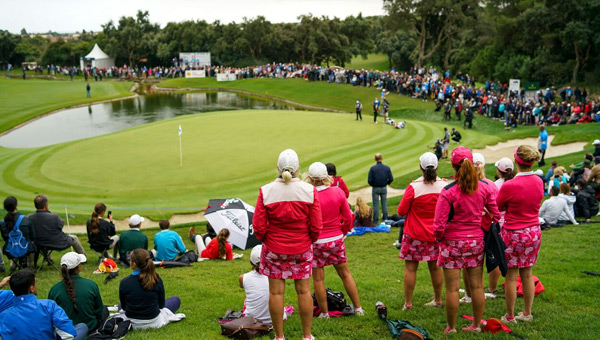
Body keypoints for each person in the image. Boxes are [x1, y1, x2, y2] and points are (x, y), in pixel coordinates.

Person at [253, 149, 322, 340]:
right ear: (298, 169)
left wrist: (268, 239)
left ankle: (279, 336)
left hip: (274, 248)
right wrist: (309, 240)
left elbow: (258, 227)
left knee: (276, 292)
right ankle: (307, 336)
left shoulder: (265, 191)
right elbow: (316, 226)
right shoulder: (309, 191)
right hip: (301, 247)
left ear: (278, 167)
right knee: (304, 291)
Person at [433, 146, 500, 333]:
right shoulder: (485, 188)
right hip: (475, 241)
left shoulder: (448, 191)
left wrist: (440, 239)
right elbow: (495, 214)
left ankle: (451, 327)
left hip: (452, 242)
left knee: (452, 289)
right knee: (477, 285)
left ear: (454, 167)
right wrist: (483, 222)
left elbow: (438, 225)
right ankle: (477, 325)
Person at [305, 162, 363, 318]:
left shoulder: (308, 195)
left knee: (318, 279)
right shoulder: (337, 192)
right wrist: (342, 232)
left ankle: (324, 313)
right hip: (336, 239)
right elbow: (349, 218)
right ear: (327, 177)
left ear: (310, 178)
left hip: (316, 242)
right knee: (345, 274)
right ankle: (358, 308)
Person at [496, 145, 544, 324]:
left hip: (514, 232)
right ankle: (527, 313)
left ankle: (509, 315)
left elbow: (498, 206)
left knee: (510, 275)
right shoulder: (539, 181)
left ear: (516, 161)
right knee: (527, 273)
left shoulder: (510, 185)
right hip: (533, 231)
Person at [397, 152, 446, 310]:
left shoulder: (413, 187)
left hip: (415, 234)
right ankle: (438, 300)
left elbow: (401, 211)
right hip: (436, 235)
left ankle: (408, 303)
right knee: (435, 267)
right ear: (437, 166)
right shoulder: (444, 186)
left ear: (421, 167)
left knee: (411, 268)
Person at [0, 269, 88, 340]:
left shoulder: (3, 316)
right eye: (35, 283)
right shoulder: (48, 305)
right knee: (82, 327)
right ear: (31, 288)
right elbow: (68, 334)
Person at [118, 249, 184, 329]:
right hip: (153, 320)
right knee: (175, 300)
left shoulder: (125, 282)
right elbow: (161, 305)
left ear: (134, 264)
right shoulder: (156, 279)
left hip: (133, 321)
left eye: (130, 260)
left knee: (120, 304)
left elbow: (124, 307)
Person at [48, 252, 106, 333]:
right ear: (79, 267)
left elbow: (51, 315)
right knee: (105, 310)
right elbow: (98, 311)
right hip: (90, 327)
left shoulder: (54, 290)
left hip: (64, 330)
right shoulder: (91, 285)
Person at [1, 197, 36, 271]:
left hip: (9, 250)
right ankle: (30, 266)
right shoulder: (26, 219)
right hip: (26, 249)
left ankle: (13, 265)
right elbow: (33, 236)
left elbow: (5, 238)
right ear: (16, 206)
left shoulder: (2, 222)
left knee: (14, 244)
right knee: (29, 244)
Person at [239, 245, 271, 323]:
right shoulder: (275, 277)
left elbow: (241, 286)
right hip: (276, 318)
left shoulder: (243, 277)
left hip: (251, 319)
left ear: (251, 262)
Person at [368, 153, 394, 224]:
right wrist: (386, 183)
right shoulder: (387, 168)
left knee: (375, 204)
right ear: (382, 158)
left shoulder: (372, 168)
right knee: (384, 203)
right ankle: (385, 219)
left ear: (375, 159)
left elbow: (369, 180)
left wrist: (373, 185)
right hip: (383, 187)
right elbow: (391, 178)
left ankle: (375, 220)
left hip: (375, 188)